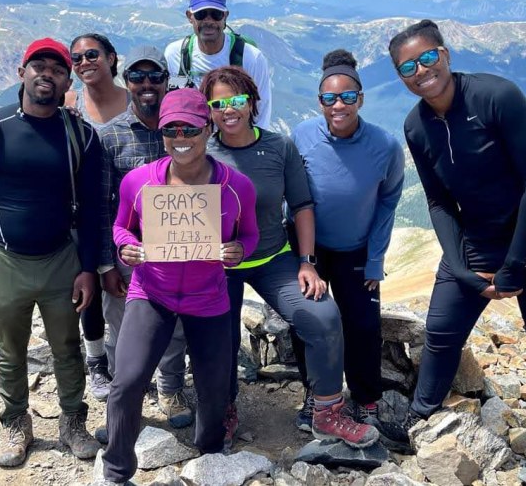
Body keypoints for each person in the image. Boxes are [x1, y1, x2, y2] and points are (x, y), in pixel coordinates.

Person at [387, 20, 526, 485]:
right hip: (478, 238)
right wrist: (456, 263)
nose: (422, 71)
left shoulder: (497, 97)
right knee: (441, 329)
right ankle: (422, 413)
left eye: (428, 57)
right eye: (408, 66)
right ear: (400, 75)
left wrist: (516, 262)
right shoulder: (416, 125)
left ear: (446, 54)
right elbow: (438, 200)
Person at [200, 65, 379, 449]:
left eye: (236, 100)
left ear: (251, 103)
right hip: (218, 265)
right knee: (218, 336)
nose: (228, 110)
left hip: (273, 257)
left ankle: (327, 412)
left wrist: (307, 262)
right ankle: (222, 408)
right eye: (219, 103)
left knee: (323, 315)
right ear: (210, 109)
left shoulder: (278, 147)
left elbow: (301, 206)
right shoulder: (202, 150)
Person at [0, 37, 102, 467]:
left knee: (68, 348)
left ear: (66, 80)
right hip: (5, 259)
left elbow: (92, 209)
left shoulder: (81, 135)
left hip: (63, 260)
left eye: (57, 70)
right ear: (22, 73)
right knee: (10, 349)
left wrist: (88, 268)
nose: (47, 75)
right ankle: (17, 428)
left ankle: (73, 424)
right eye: (39, 66)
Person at [101, 88, 259, 485]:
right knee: (128, 380)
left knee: (213, 385)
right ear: (161, 132)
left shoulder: (236, 186)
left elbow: (252, 234)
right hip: (151, 292)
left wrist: (239, 250)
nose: (180, 136)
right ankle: (116, 471)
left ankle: (208, 453)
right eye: (171, 129)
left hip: (208, 297)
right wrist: (127, 247)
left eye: (190, 127)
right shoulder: (139, 182)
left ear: (208, 129)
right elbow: (121, 226)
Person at [291, 49, 407, 451]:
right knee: (309, 320)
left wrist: (375, 258)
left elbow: (388, 201)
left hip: (358, 250)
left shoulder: (385, 146)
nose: (338, 105)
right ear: (319, 101)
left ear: (360, 98)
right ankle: (315, 395)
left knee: (362, 325)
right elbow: (294, 194)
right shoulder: (303, 135)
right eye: (329, 98)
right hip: (311, 249)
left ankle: (366, 400)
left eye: (346, 97)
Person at [97, 46, 196, 430]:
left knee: (174, 328)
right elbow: (101, 205)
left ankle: (170, 389)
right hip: (129, 254)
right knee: (123, 332)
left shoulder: (185, 129)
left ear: (166, 80)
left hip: (180, 252)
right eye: (138, 77)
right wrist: (109, 262)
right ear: (127, 83)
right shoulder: (109, 137)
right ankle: (126, 401)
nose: (147, 84)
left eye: (155, 76)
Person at [66, 33, 130, 402]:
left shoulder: (133, 101)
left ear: (110, 58)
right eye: (77, 58)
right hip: (81, 211)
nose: (85, 62)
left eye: (92, 54)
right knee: (88, 283)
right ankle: (96, 361)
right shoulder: (69, 103)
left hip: (123, 213)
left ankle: (131, 361)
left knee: (121, 293)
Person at [164, 0, 273, 129]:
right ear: (190, 17)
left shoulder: (251, 57)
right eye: (201, 14)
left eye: (215, 14)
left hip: (236, 140)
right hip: (194, 139)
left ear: (225, 16)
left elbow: (262, 105)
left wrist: (255, 146)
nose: (209, 21)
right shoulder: (175, 54)